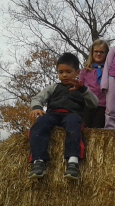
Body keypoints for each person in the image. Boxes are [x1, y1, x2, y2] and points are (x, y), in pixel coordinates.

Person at [29, 52, 98, 180]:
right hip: (53, 114)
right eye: (61, 72)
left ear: (77, 72)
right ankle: (38, 161)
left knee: (74, 126)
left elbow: (94, 103)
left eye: (68, 72)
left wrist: (83, 90)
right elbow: (37, 98)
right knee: (40, 124)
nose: (64, 75)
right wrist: (37, 107)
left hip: (72, 114)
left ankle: (73, 162)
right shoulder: (54, 87)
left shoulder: (82, 89)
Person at [79, 39, 109, 128]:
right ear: (92, 53)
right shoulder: (85, 71)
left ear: (107, 54)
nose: (98, 54)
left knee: (98, 129)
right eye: (96, 51)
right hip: (88, 104)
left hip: (103, 105)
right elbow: (80, 87)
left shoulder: (109, 70)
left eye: (102, 52)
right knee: (86, 128)